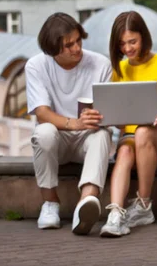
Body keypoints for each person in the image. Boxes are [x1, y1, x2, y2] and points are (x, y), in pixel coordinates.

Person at [99, 11, 157, 237]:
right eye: (122, 44)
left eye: (132, 42)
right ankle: (116, 213)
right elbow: (121, 125)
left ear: (144, 37)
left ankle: (144, 205)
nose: (127, 48)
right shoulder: (119, 69)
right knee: (126, 151)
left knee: (144, 132)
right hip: (131, 138)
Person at [27, 12, 112, 235]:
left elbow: (110, 113)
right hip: (59, 139)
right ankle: (50, 203)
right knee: (43, 132)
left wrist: (100, 118)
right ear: (53, 50)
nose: (76, 48)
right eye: (68, 45)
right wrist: (74, 123)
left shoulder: (100, 64)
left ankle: (86, 202)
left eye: (78, 41)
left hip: (89, 139)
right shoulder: (36, 66)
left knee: (103, 135)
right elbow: (42, 112)